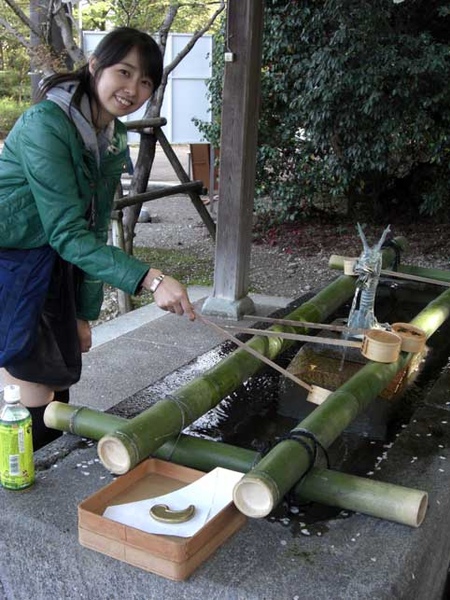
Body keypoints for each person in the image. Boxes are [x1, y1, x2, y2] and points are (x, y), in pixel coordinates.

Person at [0, 27, 195, 450]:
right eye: (123, 73)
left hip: (57, 253)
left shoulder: (112, 136)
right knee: (30, 380)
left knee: (59, 374)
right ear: (95, 66)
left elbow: (94, 224)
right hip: (14, 254)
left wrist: (84, 314)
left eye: (145, 81)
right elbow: (69, 232)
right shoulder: (45, 125)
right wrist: (151, 279)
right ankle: (20, 484)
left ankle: (41, 464)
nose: (133, 89)